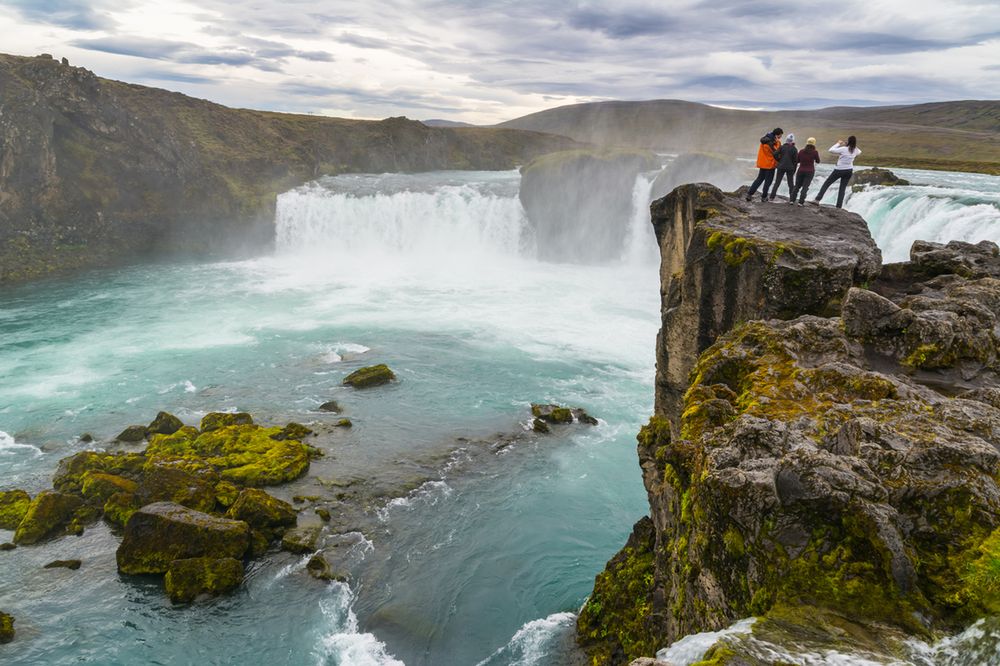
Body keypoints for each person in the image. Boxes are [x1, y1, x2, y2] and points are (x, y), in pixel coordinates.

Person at [814, 135, 861, 208]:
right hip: (849, 171)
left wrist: (838, 143)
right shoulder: (855, 150)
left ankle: (817, 199)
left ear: (848, 142)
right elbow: (860, 151)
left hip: (839, 170)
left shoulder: (843, 149)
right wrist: (852, 145)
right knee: (842, 188)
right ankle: (839, 206)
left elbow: (831, 150)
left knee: (827, 183)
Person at [745, 128, 782, 203]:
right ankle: (764, 197)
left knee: (759, 179)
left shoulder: (764, 140)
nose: (781, 136)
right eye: (781, 135)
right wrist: (780, 160)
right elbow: (776, 153)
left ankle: (749, 194)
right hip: (770, 164)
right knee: (768, 181)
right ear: (778, 135)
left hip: (763, 163)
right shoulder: (772, 143)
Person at [790, 137, 820, 205]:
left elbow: (797, 161)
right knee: (805, 187)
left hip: (800, 170)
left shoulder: (801, 151)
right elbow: (818, 161)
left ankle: (792, 200)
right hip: (810, 171)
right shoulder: (815, 152)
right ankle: (800, 202)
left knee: (797, 186)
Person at [769, 133, 798, 200]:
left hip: (781, 166)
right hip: (790, 168)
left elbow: (774, 154)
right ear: (792, 141)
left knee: (777, 182)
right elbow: (795, 161)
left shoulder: (782, 147)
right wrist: (794, 170)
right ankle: (792, 199)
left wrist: (779, 160)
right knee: (791, 184)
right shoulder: (794, 149)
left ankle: (771, 197)